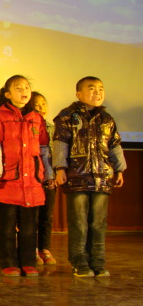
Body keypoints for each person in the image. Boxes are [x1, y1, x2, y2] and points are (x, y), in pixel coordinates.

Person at [53, 77, 126, 278]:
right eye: (91, 89)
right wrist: (60, 168)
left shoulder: (107, 118)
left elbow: (114, 144)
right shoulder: (67, 116)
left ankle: (98, 263)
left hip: (102, 177)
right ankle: (79, 262)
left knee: (98, 223)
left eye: (101, 89)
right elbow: (60, 142)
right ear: (78, 94)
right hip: (77, 176)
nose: (97, 92)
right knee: (79, 222)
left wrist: (119, 169)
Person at [0, 75, 53, 277]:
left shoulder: (36, 118)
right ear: (8, 94)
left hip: (32, 181)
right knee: (6, 226)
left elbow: (44, 148)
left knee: (29, 227)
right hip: (8, 180)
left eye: (26, 88)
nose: (24, 91)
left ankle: (28, 262)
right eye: (18, 88)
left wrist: (48, 173)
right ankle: (8, 262)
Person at [30, 91, 57, 266]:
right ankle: (32, 248)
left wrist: (53, 174)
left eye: (43, 104)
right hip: (32, 178)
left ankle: (45, 248)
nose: (41, 108)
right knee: (32, 217)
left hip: (50, 178)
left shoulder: (53, 128)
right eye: (36, 105)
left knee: (47, 216)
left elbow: (56, 154)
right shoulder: (27, 126)